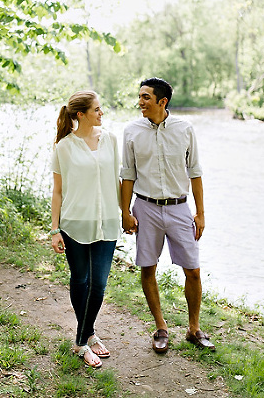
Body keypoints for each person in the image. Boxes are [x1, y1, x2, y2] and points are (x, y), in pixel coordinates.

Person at [120, 77, 215, 354]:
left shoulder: (185, 129)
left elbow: (195, 172)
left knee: (193, 271)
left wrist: (200, 213)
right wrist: (125, 212)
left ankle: (194, 328)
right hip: (145, 207)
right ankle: (161, 326)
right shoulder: (131, 131)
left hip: (179, 208)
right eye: (139, 97)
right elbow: (127, 175)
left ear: (163, 101)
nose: (140, 102)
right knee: (148, 268)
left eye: (146, 97)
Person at [51, 90, 121, 368]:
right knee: (80, 279)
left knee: (99, 284)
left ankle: (81, 339)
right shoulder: (64, 147)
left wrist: (126, 213)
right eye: (96, 109)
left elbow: (117, 179)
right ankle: (87, 337)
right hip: (74, 224)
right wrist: (54, 229)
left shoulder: (111, 140)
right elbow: (58, 191)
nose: (101, 113)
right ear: (81, 114)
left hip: (107, 223)